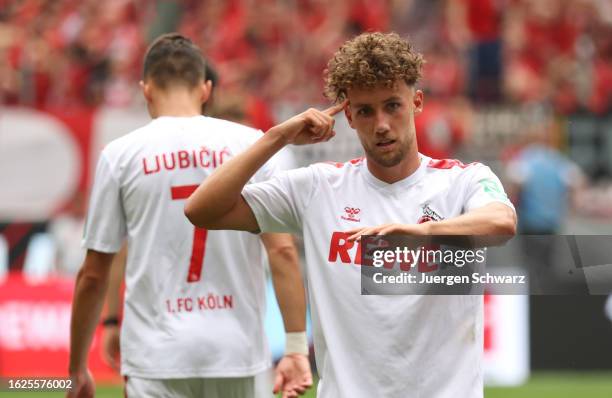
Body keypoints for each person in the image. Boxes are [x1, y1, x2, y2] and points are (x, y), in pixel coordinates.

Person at [185, 32, 517, 397]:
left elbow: (502, 223)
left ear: (417, 102)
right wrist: (276, 137)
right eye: (365, 111)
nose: (381, 124)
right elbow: (202, 209)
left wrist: (422, 233)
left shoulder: (464, 180)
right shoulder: (318, 188)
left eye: (393, 105)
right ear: (349, 116)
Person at [68, 33, 311, 398]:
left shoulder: (119, 155)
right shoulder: (253, 144)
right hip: (237, 352)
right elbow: (283, 251)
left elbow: (94, 271)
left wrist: (78, 366)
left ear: (146, 89)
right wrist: (294, 346)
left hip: (155, 354)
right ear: (206, 88)